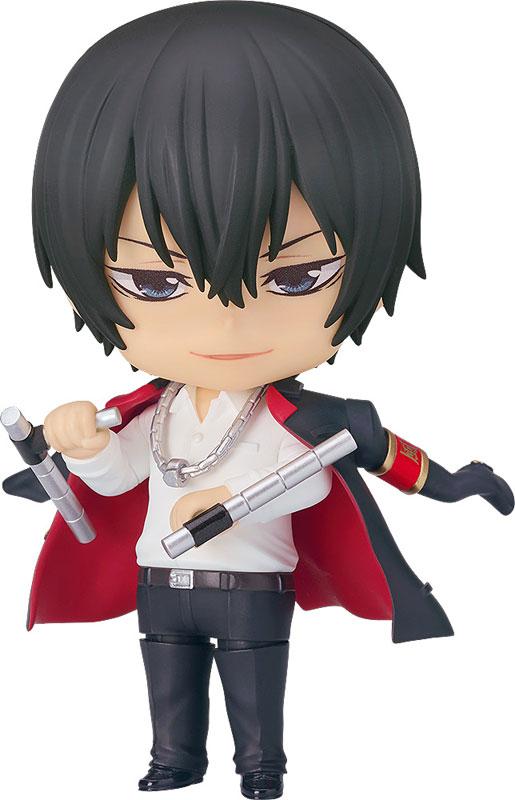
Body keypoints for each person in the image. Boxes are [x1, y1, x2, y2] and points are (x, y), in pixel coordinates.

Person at [4, 4, 513, 798]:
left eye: (296, 277)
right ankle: (174, 761)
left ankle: (260, 768)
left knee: (253, 685)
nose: (225, 322)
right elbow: (118, 477)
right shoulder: (152, 412)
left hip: (250, 588)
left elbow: (310, 483)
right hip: (160, 582)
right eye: (154, 282)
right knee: (166, 679)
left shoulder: (291, 421)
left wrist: (230, 502)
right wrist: (90, 444)